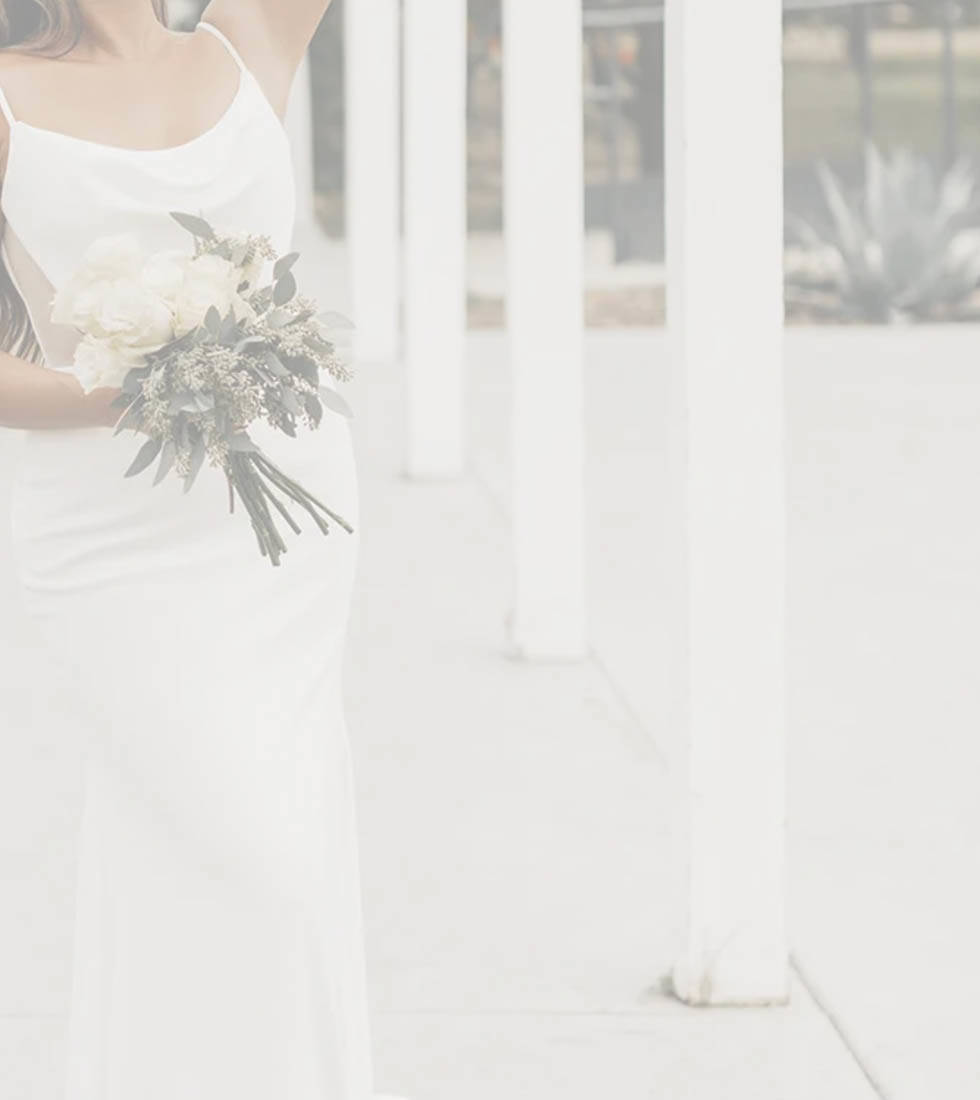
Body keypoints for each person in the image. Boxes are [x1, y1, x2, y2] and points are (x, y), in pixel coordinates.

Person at [0, 3, 392, 1096]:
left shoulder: (249, 36)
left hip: (282, 526)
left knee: (271, 844)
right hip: (112, 535)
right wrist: (123, 387)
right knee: (245, 839)